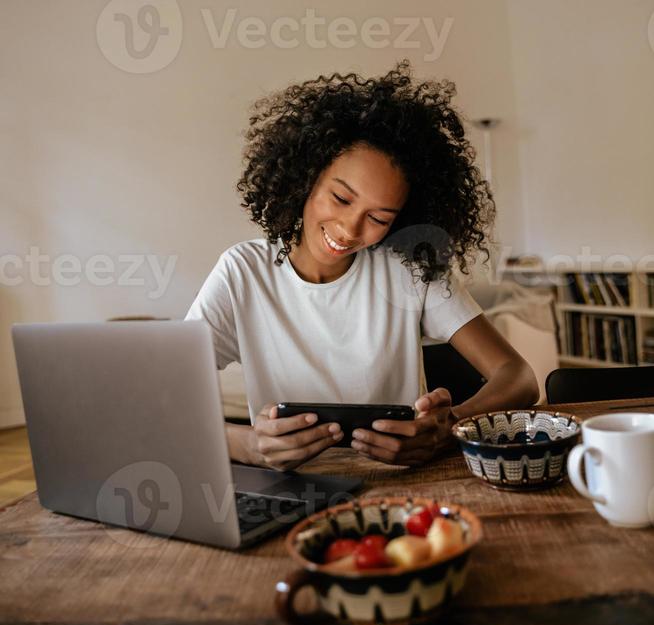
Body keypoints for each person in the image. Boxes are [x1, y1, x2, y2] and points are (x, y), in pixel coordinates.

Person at [186, 60, 538, 471]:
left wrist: (451, 428)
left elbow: (519, 377)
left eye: (379, 218)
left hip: (406, 487)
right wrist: (250, 446)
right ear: (306, 178)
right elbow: (164, 402)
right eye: (340, 198)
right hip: (290, 490)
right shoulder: (242, 273)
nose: (350, 229)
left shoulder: (409, 267)